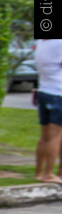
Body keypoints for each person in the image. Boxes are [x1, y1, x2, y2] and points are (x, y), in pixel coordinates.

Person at [33, 39, 62, 184]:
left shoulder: (42, 42)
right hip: (58, 93)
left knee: (45, 137)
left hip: (44, 90)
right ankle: (49, 174)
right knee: (56, 136)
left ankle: (39, 173)